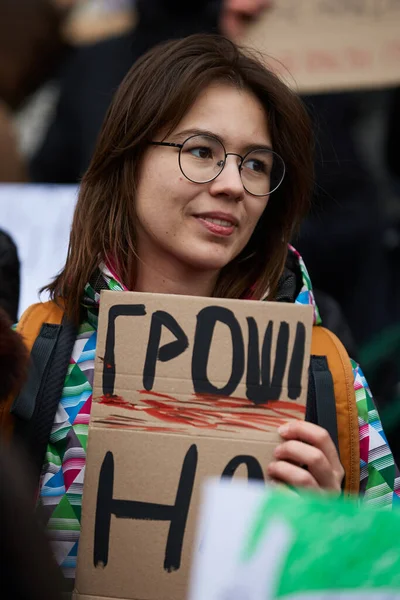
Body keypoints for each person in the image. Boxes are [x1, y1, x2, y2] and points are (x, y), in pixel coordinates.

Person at [8, 34, 398, 589]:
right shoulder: (35, 358)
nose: (233, 185)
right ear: (129, 155)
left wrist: (330, 532)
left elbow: (378, 579)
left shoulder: (325, 376)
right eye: (200, 152)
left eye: (257, 165)